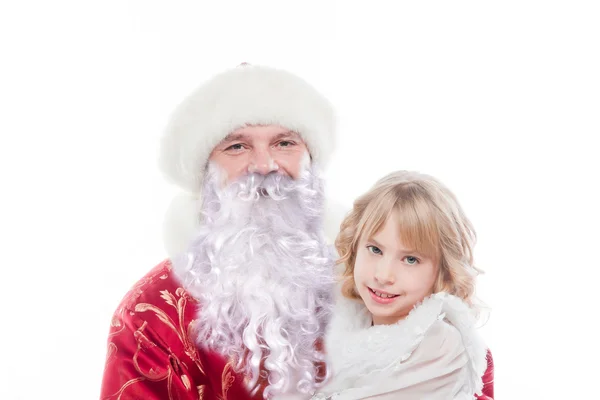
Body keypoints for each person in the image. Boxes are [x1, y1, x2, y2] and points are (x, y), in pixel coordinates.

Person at [100, 64, 339, 399]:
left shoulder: (369, 281)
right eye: (237, 147)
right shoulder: (153, 310)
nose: (265, 165)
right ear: (206, 174)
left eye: (284, 143)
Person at [313, 170, 495, 399]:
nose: (384, 275)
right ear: (354, 246)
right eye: (375, 249)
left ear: (443, 271)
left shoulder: (441, 345)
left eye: (411, 259)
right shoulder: (340, 325)